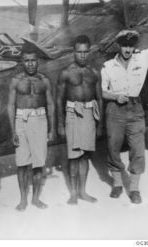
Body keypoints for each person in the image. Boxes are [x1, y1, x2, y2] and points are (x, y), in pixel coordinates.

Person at [101, 30, 148, 204]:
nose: (127, 49)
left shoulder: (143, 58)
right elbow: (102, 92)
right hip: (114, 109)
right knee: (113, 146)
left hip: (135, 109)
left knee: (138, 149)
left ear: (135, 46)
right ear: (118, 45)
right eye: (124, 45)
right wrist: (115, 96)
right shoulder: (108, 66)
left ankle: (134, 189)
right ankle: (117, 184)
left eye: (131, 45)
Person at [7, 43, 55, 211]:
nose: (30, 64)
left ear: (38, 61)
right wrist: (13, 130)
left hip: (40, 120)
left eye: (33, 60)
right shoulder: (16, 81)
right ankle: (22, 200)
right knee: (21, 163)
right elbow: (10, 106)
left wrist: (52, 128)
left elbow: (50, 104)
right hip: (21, 121)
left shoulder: (44, 81)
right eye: (27, 61)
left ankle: (35, 198)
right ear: (22, 62)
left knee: (38, 163)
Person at [57, 35, 103, 205]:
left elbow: (99, 98)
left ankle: (83, 191)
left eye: (85, 52)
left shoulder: (94, 73)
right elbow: (58, 100)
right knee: (74, 156)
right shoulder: (66, 73)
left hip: (90, 114)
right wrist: (60, 124)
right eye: (79, 52)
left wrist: (100, 125)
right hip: (72, 114)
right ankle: (74, 193)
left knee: (85, 156)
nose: (82, 55)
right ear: (73, 52)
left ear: (89, 52)